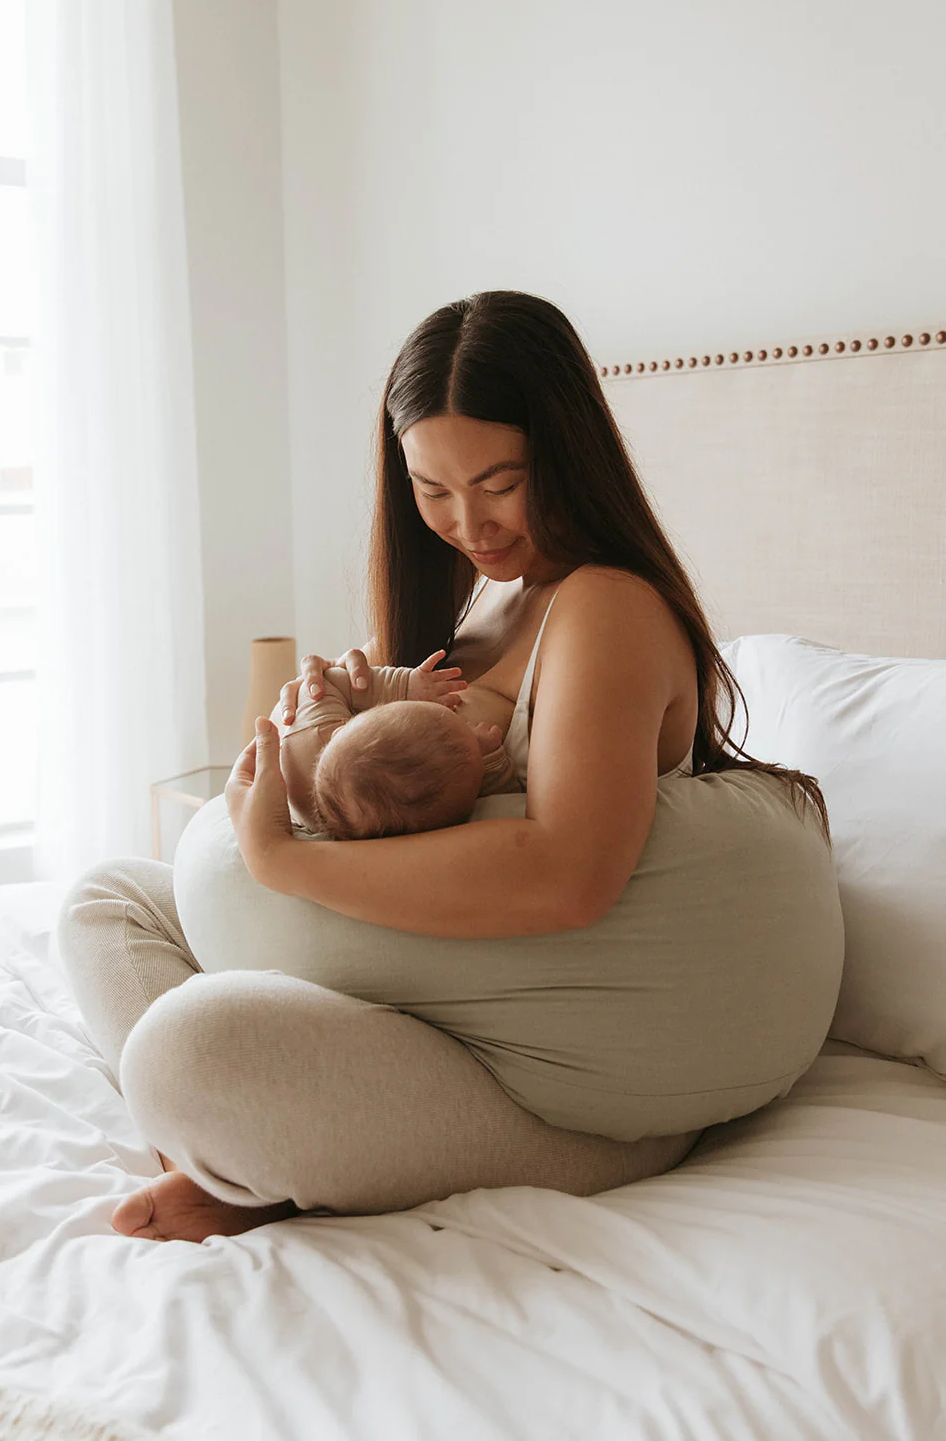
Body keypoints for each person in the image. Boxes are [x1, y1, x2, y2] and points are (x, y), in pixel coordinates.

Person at [56, 289, 844, 1245]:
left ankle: (239, 1148)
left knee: (193, 1047)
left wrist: (280, 861)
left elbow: (567, 874)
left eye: (498, 482)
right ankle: (228, 1159)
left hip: (546, 1088)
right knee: (106, 901)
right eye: (431, 490)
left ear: (566, 454)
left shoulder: (602, 609)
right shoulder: (476, 610)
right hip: (422, 1018)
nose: (468, 523)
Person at [278, 644, 521, 840]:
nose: (459, 713)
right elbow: (505, 798)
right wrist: (488, 759)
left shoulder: (313, 730)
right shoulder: (395, 813)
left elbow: (330, 680)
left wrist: (405, 685)